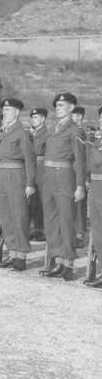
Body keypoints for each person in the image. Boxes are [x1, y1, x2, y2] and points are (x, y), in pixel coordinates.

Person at [39, 93, 86, 281]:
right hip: (49, 176)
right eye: (56, 105)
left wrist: (80, 185)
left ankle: (68, 264)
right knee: (51, 221)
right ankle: (58, 261)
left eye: (61, 105)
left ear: (71, 107)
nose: (57, 108)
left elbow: (81, 161)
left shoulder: (76, 130)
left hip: (64, 176)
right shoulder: (53, 129)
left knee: (66, 221)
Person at [0, 99, 36, 272]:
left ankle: (21, 256)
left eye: (8, 110)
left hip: (17, 176)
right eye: (3, 110)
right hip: (3, 175)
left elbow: (30, 159)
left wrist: (30, 183)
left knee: (19, 216)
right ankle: (12, 253)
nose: (4, 113)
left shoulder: (23, 132)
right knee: (6, 216)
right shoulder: (5, 131)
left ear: (17, 112)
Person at [85, 106, 102, 288]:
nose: (101, 122)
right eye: (101, 119)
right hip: (96, 187)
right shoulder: (97, 142)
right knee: (97, 231)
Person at [71, 106, 91, 248]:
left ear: (79, 117)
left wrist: (87, 178)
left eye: (73, 116)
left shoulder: (85, 133)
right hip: (69, 172)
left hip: (81, 172)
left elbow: (88, 157)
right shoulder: (69, 132)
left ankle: (79, 235)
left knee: (79, 205)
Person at [29, 108, 48, 241]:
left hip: (41, 167)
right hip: (31, 166)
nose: (33, 120)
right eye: (32, 117)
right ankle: (37, 229)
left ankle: (44, 230)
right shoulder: (31, 133)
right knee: (34, 200)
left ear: (43, 119)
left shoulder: (47, 133)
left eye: (36, 117)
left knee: (42, 199)